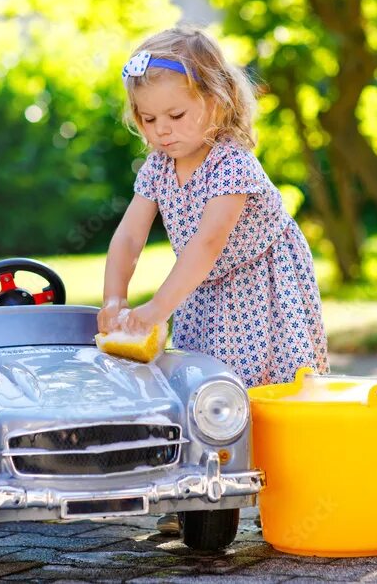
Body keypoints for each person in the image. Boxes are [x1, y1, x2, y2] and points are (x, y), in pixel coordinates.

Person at [98, 26, 329, 534]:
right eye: (148, 118)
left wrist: (157, 309)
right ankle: (201, 495)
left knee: (263, 387)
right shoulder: (159, 167)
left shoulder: (232, 165)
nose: (162, 130)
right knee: (199, 388)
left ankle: (291, 491)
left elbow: (206, 245)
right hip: (204, 291)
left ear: (217, 101)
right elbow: (129, 238)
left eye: (176, 116)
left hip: (260, 285)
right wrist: (114, 296)